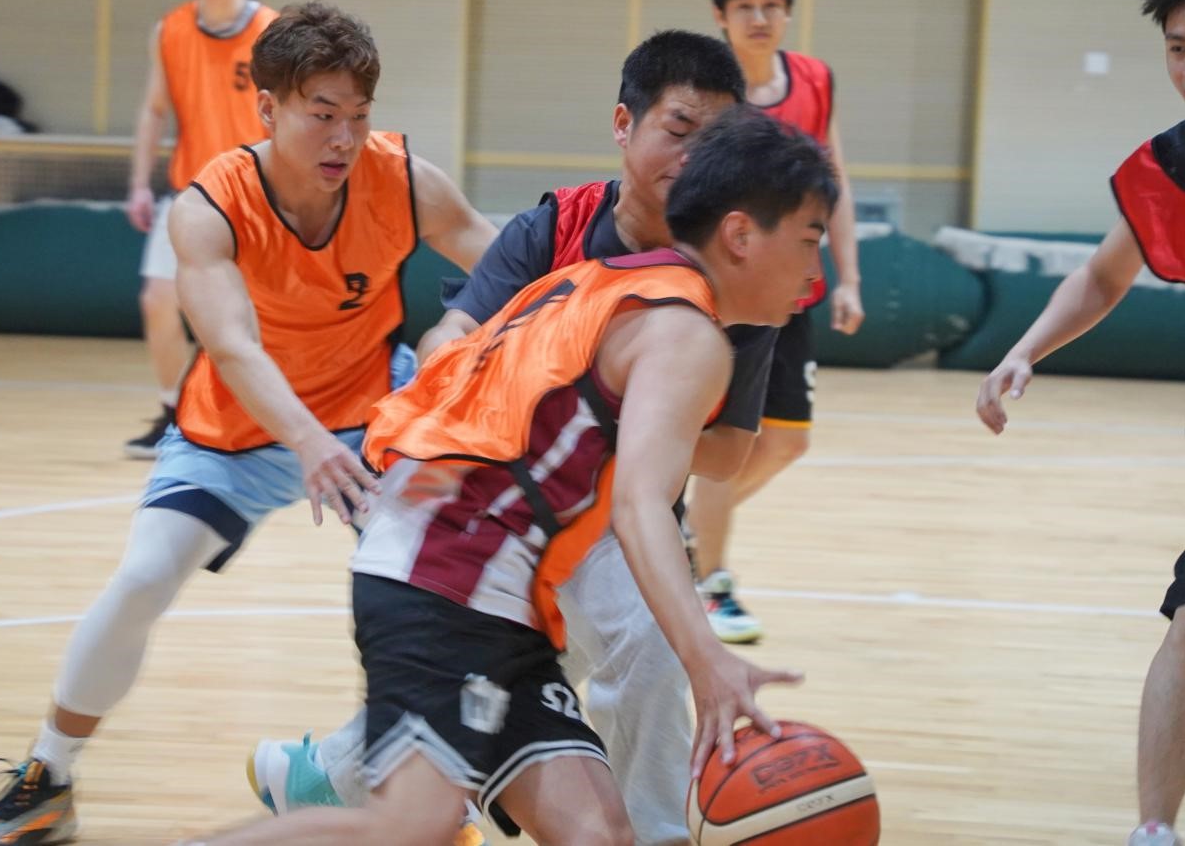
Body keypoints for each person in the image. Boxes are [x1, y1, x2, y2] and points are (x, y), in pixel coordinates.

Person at [183, 102, 830, 846]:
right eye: (809, 241)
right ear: (741, 234)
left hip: (490, 590)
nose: (815, 274)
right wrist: (706, 659)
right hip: (445, 578)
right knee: (411, 826)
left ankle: (326, 771)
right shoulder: (684, 331)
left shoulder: (608, 280)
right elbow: (641, 504)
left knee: (599, 836)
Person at [0, 1, 497, 846]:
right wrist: (308, 440)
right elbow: (232, 347)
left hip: (372, 412)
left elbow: (508, 266)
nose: (343, 137)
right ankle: (47, 777)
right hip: (237, 427)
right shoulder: (211, 206)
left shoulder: (403, 181)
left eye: (358, 115)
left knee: (450, 583)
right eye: (321, 113)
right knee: (143, 578)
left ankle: (389, 779)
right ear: (267, 107)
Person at [975, 0, 1185, 846]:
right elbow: (1102, 276)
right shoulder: (1164, 173)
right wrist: (1026, 350)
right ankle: (1154, 831)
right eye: (1178, 48)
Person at [684, 0, 865, 644]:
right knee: (728, 440)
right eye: (745, 7)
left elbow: (834, 183)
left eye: (771, 5)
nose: (759, 18)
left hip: (795, 294)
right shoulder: (711, 95)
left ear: (788, 12)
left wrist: (849, 278)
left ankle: (687, 534)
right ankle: (711, 582)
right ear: (720, 16)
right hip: (731, 297)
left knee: (788, 440)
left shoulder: (815, 80)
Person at [123, 0, 277, 460]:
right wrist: (139, 184)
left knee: (249, 318)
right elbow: (154, 110)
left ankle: (248, 418)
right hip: (189, 193)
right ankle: (172, 411)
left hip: (255, 196)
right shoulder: (170, 30)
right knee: (157, 300)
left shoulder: (269, 32)